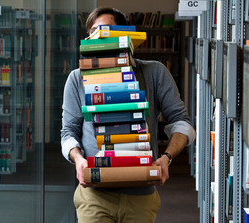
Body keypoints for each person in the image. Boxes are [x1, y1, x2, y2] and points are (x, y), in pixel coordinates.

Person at [61, 7, 196, 223]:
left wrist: (167, 158)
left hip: (140, 196)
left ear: (124, 37)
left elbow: (182, 122)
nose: (100, 38)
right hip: (94, 196)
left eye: (107, 31)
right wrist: (78, 159)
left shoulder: (155, 72)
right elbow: (68, 132)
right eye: (93, 33)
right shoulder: (77, 79)